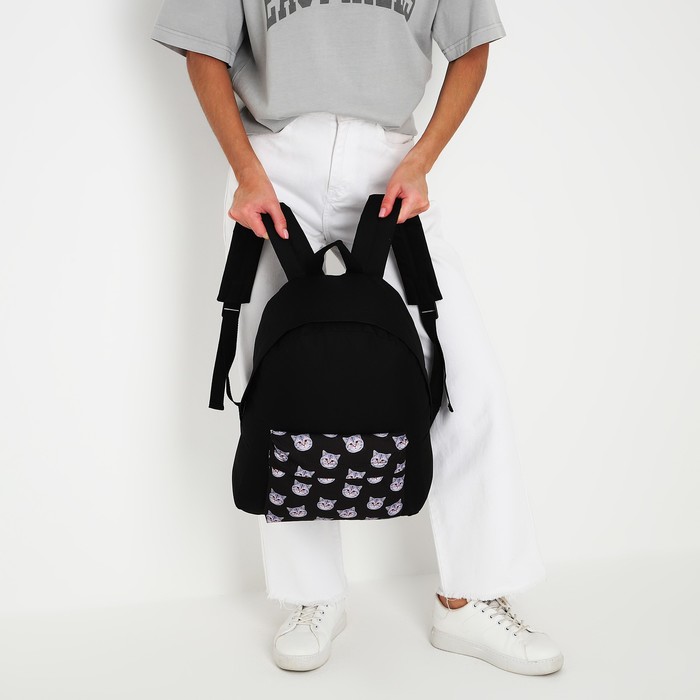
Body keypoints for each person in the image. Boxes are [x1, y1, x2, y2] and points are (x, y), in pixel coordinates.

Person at [150, 0, 564, 676]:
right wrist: (247, 170)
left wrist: (423, 158)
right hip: (275, 166)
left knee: (466, 382)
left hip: (388, 164)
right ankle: (312, 598)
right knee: (289, 392)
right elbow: (204, 49)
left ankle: (471, 598)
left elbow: (471, 48)